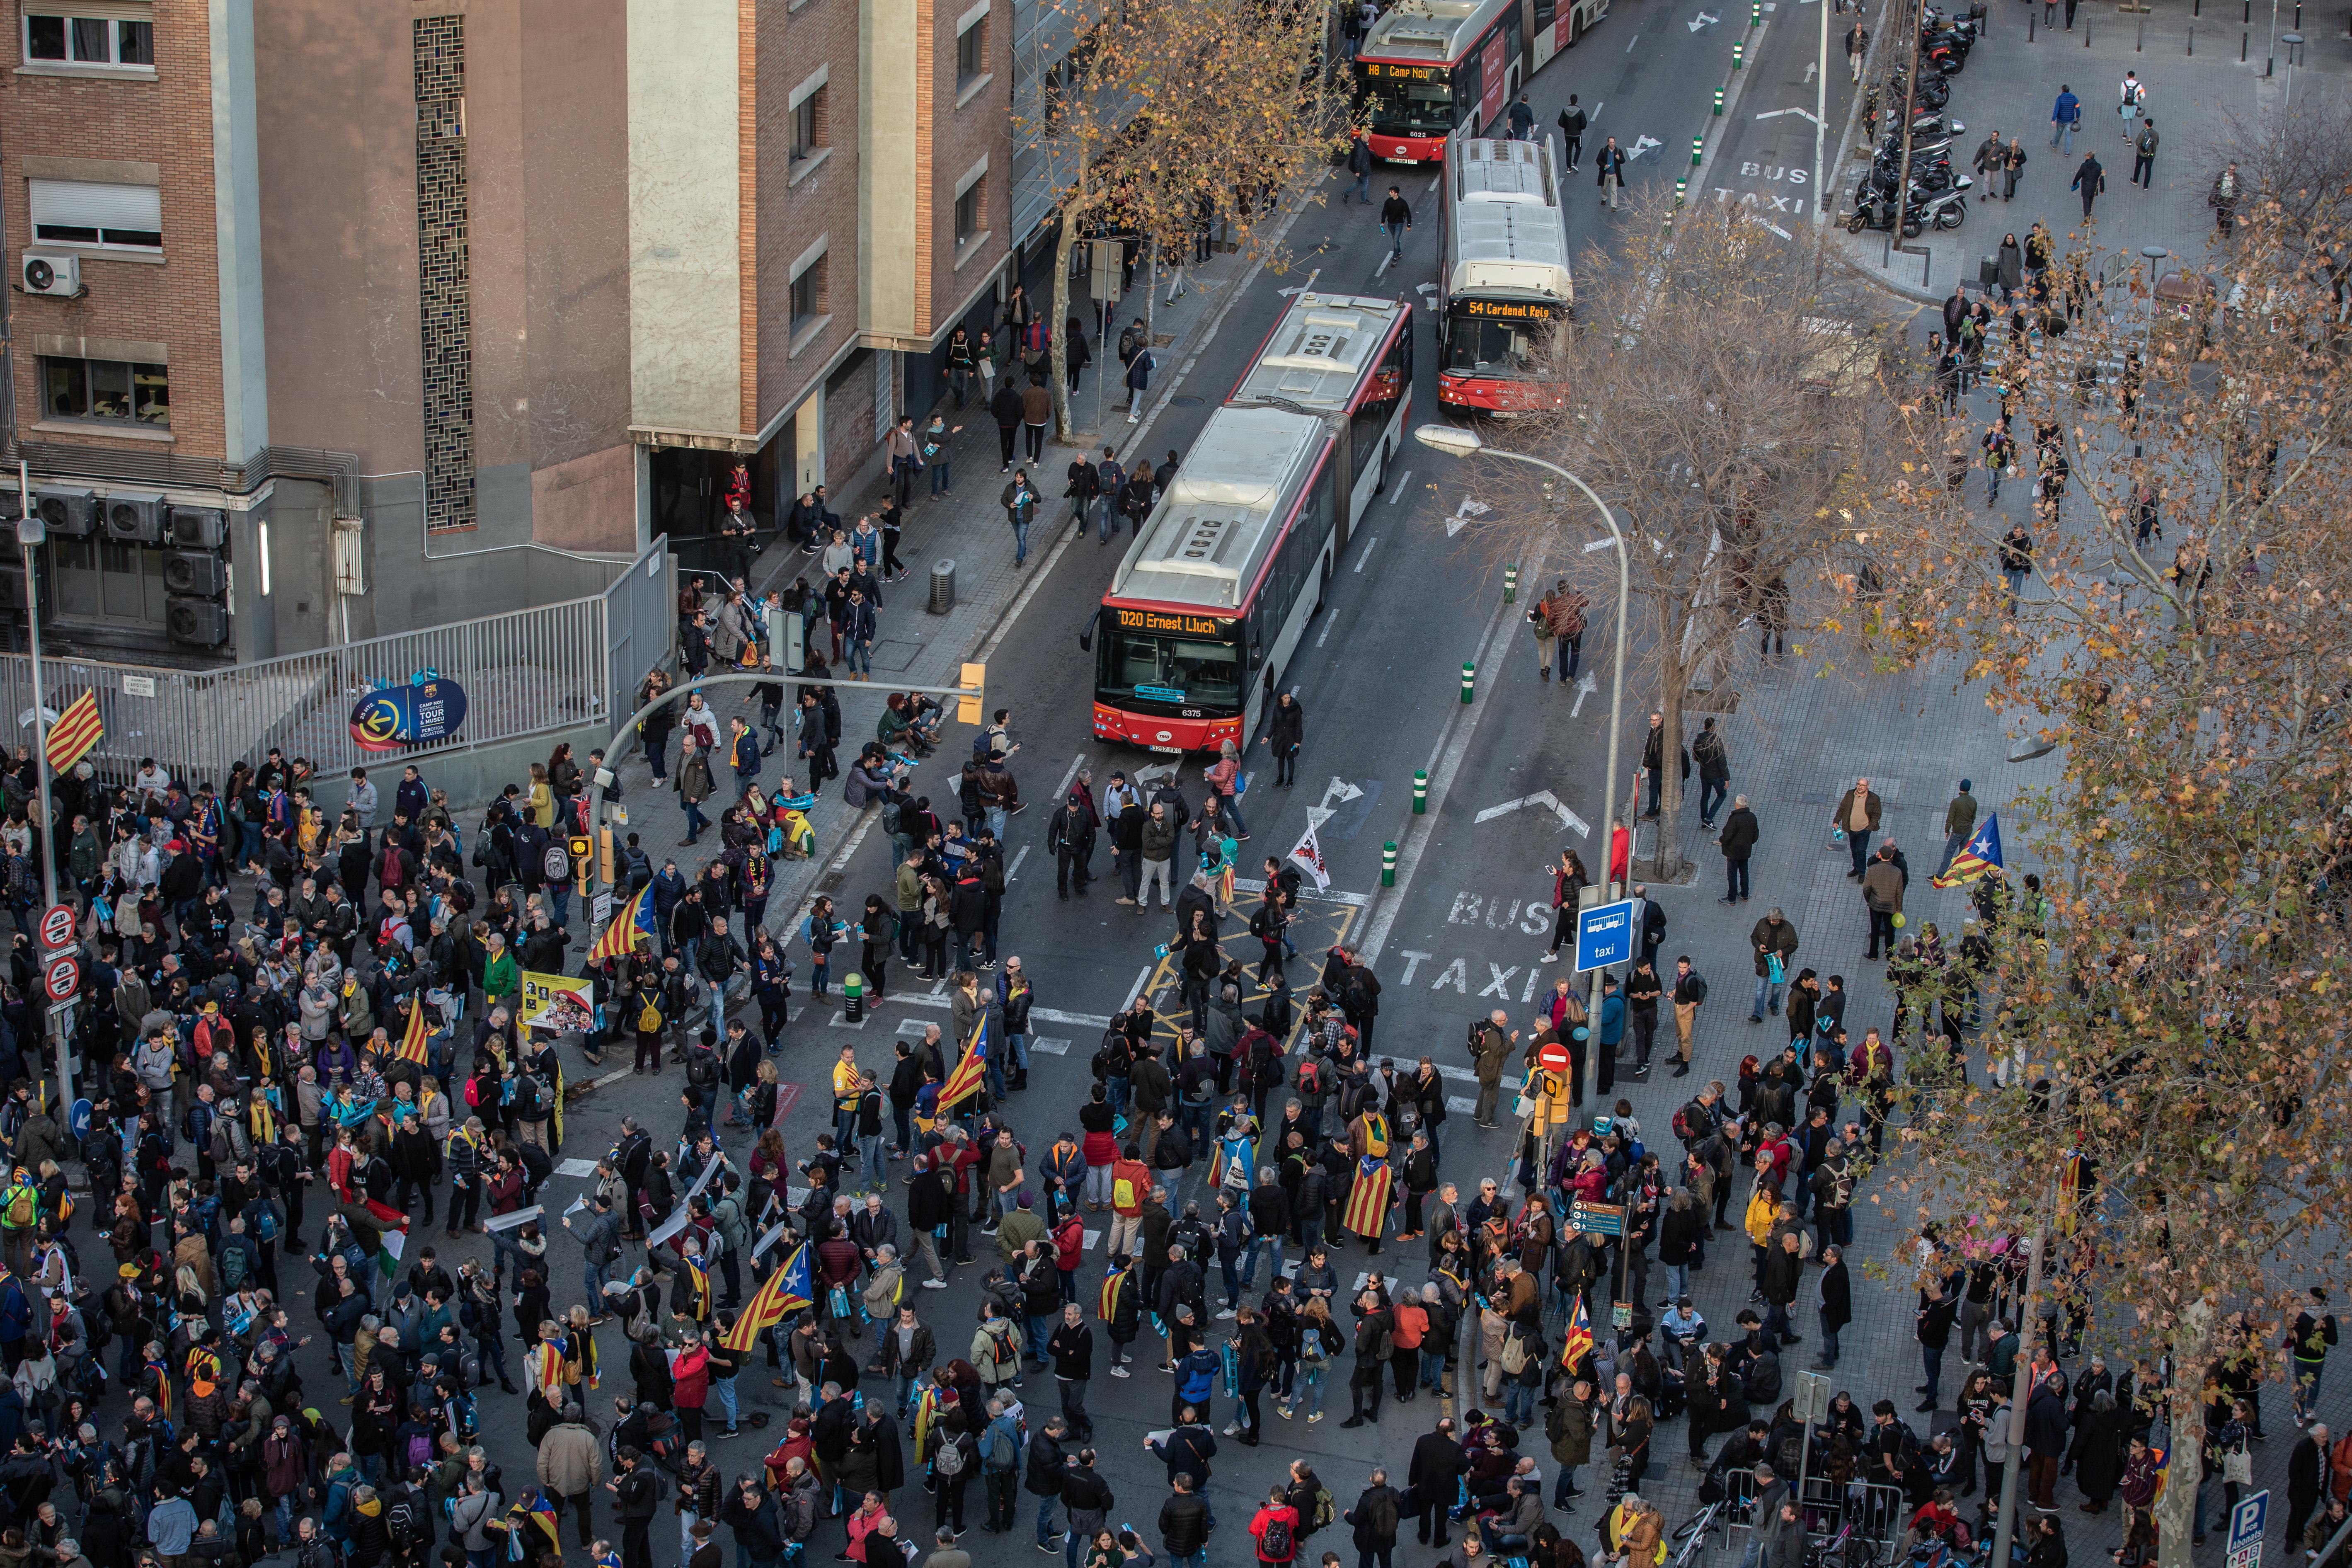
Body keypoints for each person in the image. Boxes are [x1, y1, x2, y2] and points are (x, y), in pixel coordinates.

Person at [1378, 188, 1413, 262]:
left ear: (1396, 194)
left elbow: (1408, 213)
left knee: (1396, 240)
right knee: (1395, 240)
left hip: (1399, 224)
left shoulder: (1403, 203)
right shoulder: (1388, 201)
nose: (1390, 193)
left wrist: (1409, 225)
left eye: (1392, 192)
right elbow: (1384, 211)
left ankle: (1395, 257)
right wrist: (1383, 221)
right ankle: (1399, 252)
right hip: (1391, 224)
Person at [2072, 151, 2105, 221]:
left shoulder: (2084, 166)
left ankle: (2087, 219)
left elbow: (2079, 175)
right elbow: (2101, 178)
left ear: (2089, 157)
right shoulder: (2098, 166)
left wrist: (2075, 183)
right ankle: (2089, 215)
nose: (2085, 157)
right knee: (2090, 203)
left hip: (2086, 187)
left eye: (2086, 156)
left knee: (2086, 204)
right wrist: (2102, 189)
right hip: (2094, 188)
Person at [1557, 96, 1587, 170]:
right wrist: (1579, 128)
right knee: (1579, 148)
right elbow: (1584, 125)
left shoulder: (1565, 110)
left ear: (1570, 101)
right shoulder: (1580, 112)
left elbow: (1560, 122)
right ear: (1577, 101)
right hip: (1577, 135)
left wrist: (1566, 127)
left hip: (1568, 134)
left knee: (1568, 150)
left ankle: (1568, 168)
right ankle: (1575, 163)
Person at [1596, 138, 1628, 208]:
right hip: (1606, 174)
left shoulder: (1618, 151)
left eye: (1613, 143)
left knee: (1614, 191)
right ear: (1608, 143)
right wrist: (1604, 165)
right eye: (1611, 143)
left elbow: (1623, 161)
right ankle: (1604, 198)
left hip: (1614, 175)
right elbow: (1598, 160)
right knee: (1604, 188)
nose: (1612, 144)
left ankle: (1614, 206)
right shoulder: (1604, 151)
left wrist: (1619, 159)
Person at [2050, 84, 2081, 153]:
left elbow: (2056, 109)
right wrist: (2077, 117)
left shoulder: (2060, 99)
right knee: (2068, 135)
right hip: (2070, 120)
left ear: (2063, 91)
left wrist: (2053, 119)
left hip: (2061, 119)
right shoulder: (2074, 98)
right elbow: (2078, 109)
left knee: (2059, 132)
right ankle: (2067, 152)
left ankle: (2054, 145)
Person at [2132, 119, 2157, 189]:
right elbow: (2157, 143)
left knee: (2138, 167)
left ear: (2146, 125)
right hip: (2151, 156)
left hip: (2141, 154)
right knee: (2148, 170)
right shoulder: (2155, 134)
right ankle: (2146, 186)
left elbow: (2137, 143)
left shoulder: (2143, 133)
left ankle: (2135, 180)